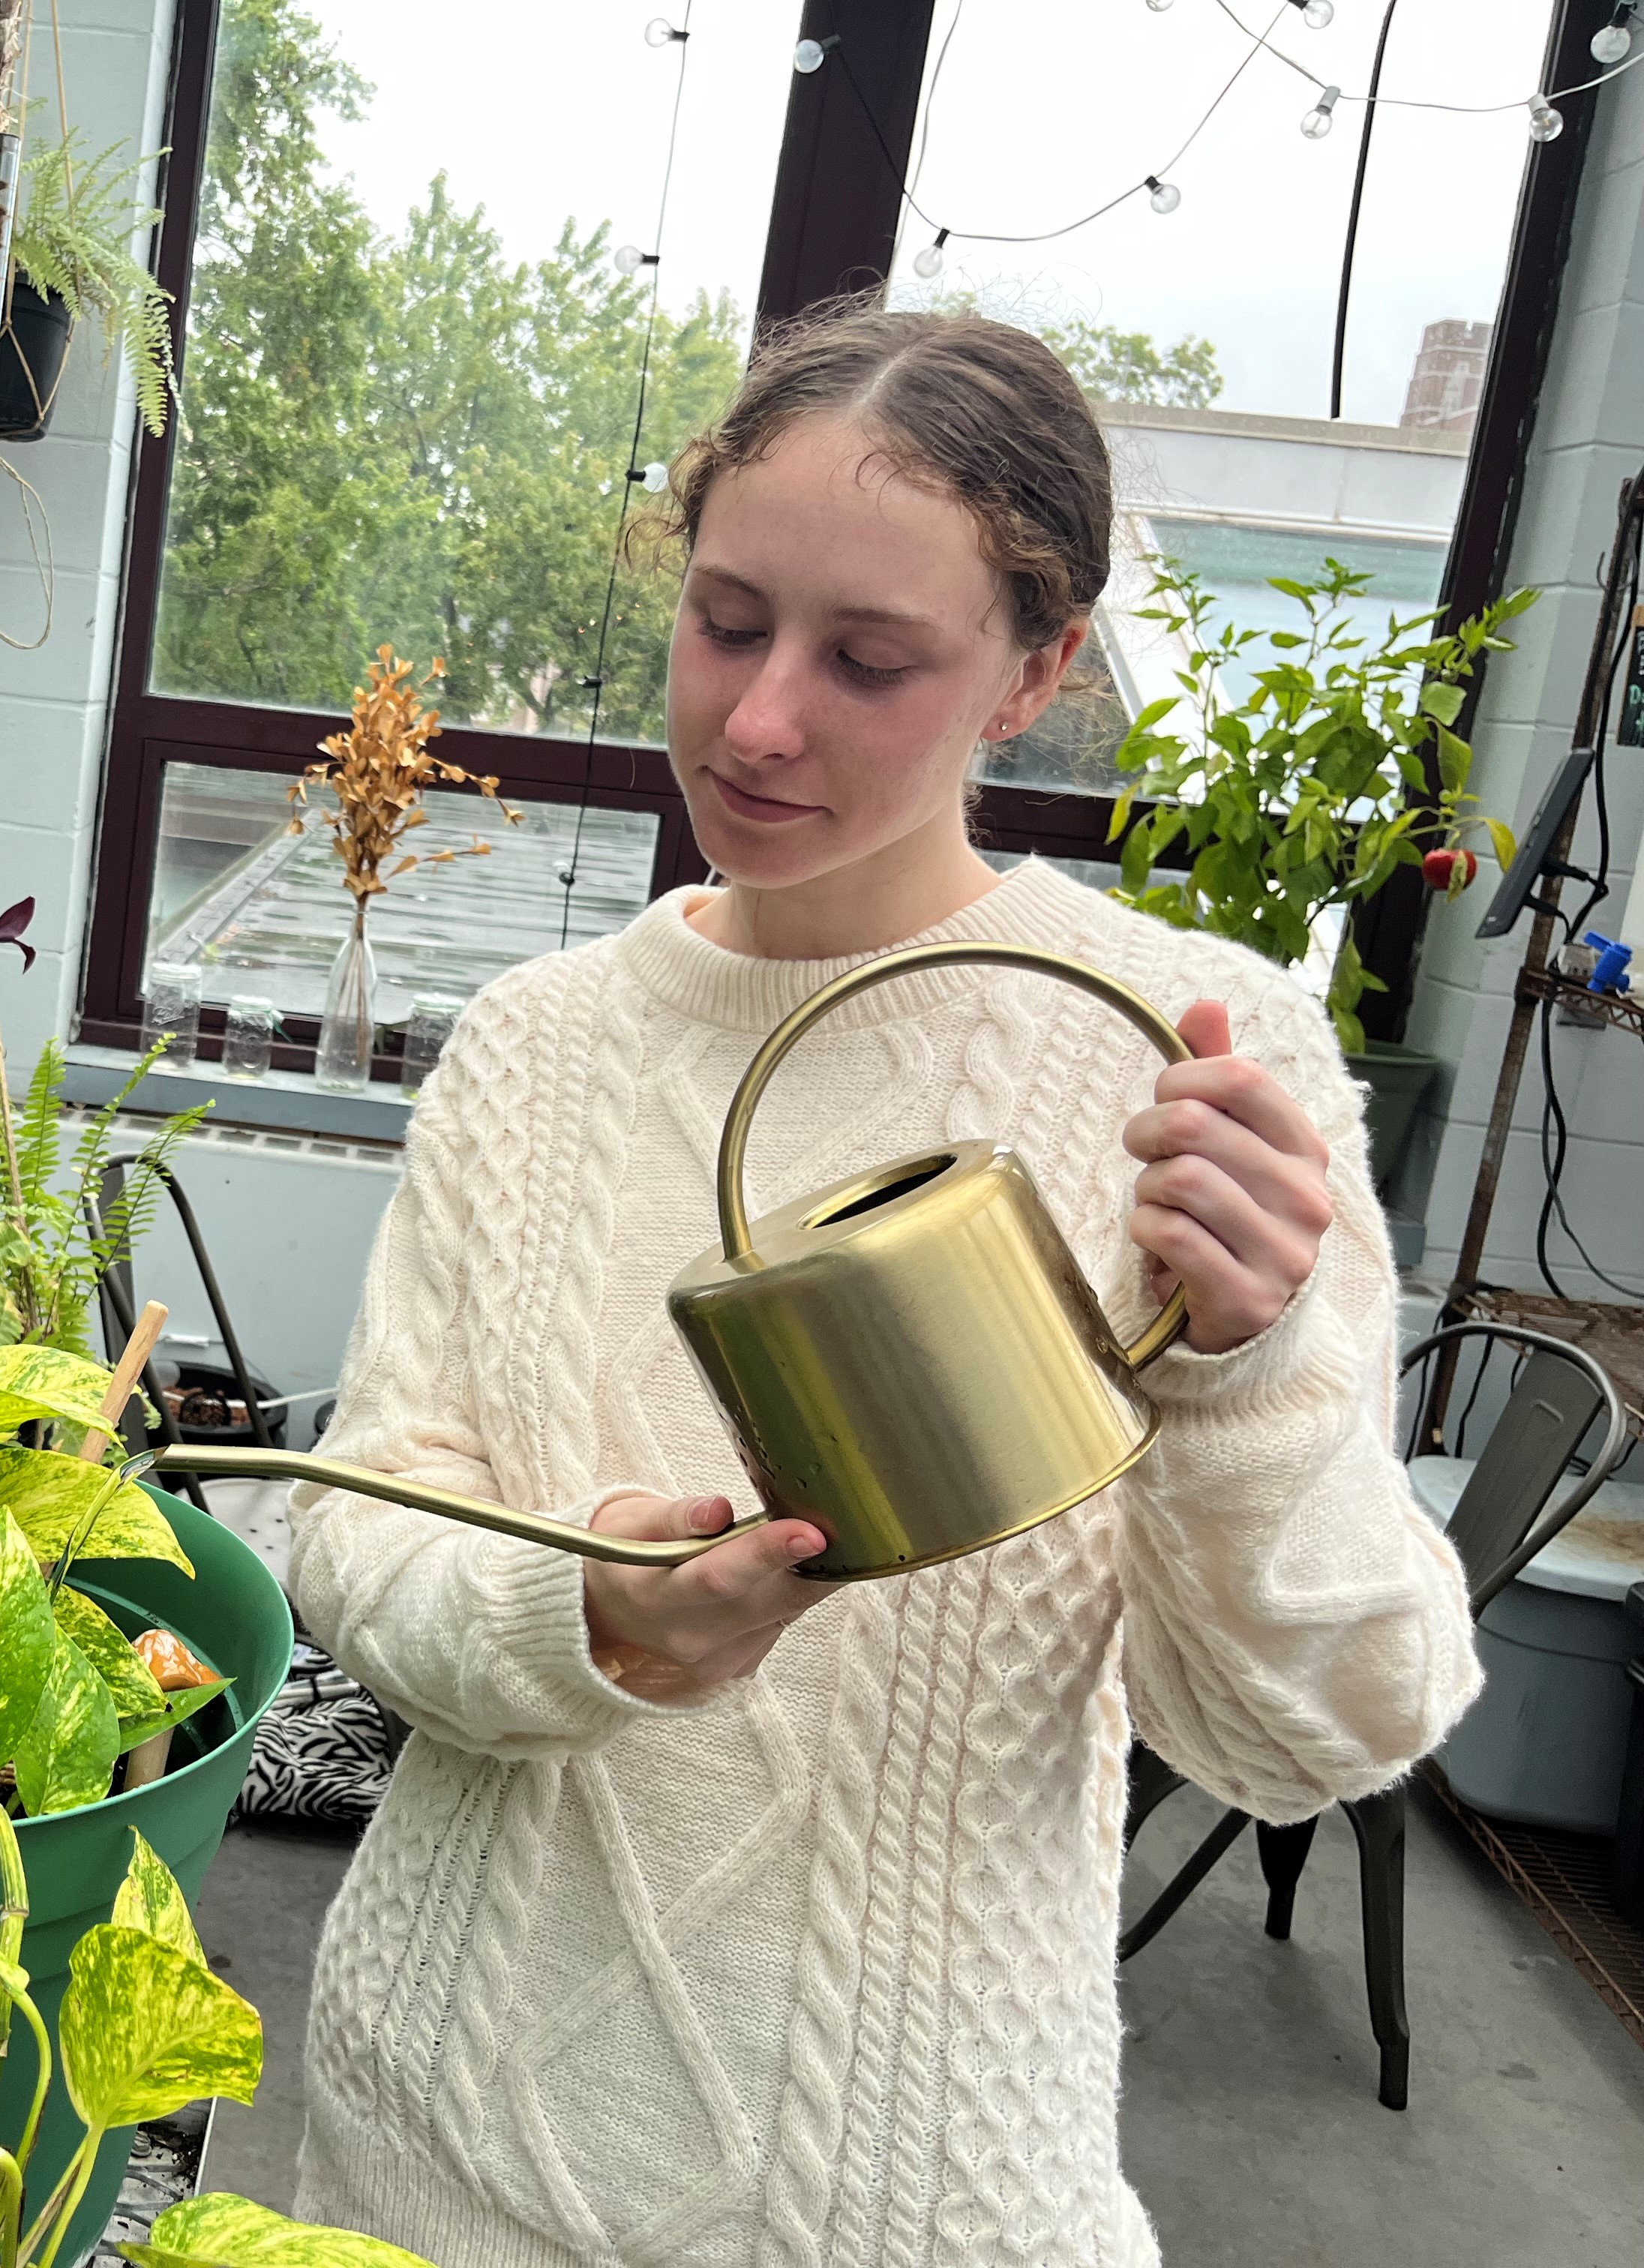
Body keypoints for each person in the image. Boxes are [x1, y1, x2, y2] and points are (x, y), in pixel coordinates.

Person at [286, 304, 1480, 2268]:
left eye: (869, 660)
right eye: (728, 618)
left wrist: (1248, 1388)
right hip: (437, 2154)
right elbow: (357, 1535)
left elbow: (1324, 1734)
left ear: (1035, 675)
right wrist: (571, 1610)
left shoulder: (1185, 1058)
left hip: (906, 2194)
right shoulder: (533, 1047)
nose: (759, 719)